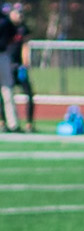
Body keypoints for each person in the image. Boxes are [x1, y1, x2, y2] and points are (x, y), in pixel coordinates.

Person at [0, 2, 27, 133]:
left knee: (7, 90)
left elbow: (12, 35)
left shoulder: (5, 20)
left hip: (2, 55)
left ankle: (12, 124)